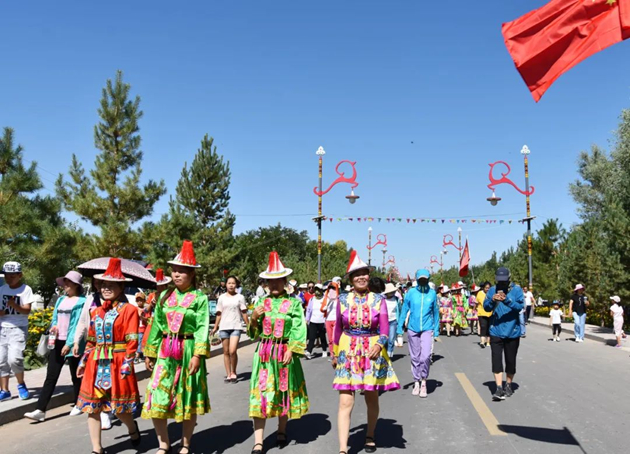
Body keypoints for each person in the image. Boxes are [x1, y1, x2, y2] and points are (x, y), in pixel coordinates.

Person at [142, 241, 211, 454]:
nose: (177, 274)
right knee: (156, 394)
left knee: (187, 396)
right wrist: (150, 351)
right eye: (175, 270)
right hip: (165, 351)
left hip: (188, 349)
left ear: (191, 275)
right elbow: (156, 325)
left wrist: (198, 355)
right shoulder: (164, 296)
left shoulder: (200, 298)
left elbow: (202, 327)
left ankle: (185, 443)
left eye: (182, 271)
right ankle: (163, 444)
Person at [332, 251, 400, 454]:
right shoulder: (342, 300)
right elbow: (337, 329)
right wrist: (335, 353)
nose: (361, 277)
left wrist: (379, 345)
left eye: (364, 273)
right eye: (356, 274)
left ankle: (370, 434)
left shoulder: (378, 300)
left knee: (371, 397)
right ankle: (343, 448)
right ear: (351, 279)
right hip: (347, 350)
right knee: (345, 400)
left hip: (372, 351)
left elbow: (385, 328)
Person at [75, 258, 141, 454]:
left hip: (117, 361)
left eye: (111, 285)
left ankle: (132, 428)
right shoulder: (95, 312)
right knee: (92, 406)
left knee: (118, 408)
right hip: (95, 363)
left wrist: (127, 363)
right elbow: (92, 340)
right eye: (103, 285)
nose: (106, 288)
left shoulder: (129, 310)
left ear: (121, 287)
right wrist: (83, 360)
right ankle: (97, 448)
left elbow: (132, 340)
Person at [248, 251, 309, 454]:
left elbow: (299, 328)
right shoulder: (260, 303)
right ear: (265, 283)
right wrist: (254, 318)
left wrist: (292, 349)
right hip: (264, 353)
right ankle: (258, 441)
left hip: (284, 352)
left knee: (283, 390)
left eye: (277, 281)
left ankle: (282, 430)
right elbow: (253, 333)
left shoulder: (293, 304)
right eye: (269, 282)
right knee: (261, 393)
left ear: (284, 282)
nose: (273, 285)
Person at [24, 271, 87, 421]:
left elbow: (79, 324)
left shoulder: (82, 302)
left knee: (76, 375)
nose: (65, 285)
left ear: (76, 285)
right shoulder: (60, 300)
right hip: (57, 341)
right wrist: (54, 327)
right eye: (64, 282)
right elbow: (55, 319)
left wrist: (70, 343)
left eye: (68, 282)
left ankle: (80, 403)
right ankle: (40, 410)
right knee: (51, 376)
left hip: (74, 343)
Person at [483, 267, 524, 401]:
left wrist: (507, 300)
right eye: (499, 281)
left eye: (504, 281)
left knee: (510, 361)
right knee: (496, 360)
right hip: (495, 330)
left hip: (512, 331)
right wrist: (492, 300)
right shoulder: (491, 290)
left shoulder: (516, 290)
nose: (501, 284)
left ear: (509, 279)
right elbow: (486, 308)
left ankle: (509, 384)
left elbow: (520, 307)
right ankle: (499, 387)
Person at [397, 269, 439, 398]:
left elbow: (436, 312)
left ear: (428, 279)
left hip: (427, 328)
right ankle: (416, 381)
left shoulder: (432, 294)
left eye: (425, 279)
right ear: (416, 279)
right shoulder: (411, 293)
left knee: (425, 356)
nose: (422, 281)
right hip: (413, 329)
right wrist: (399, 328)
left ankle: (424, 381)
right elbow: (404, 310)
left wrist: (436, 329)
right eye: (420, 279)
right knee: (415, 357)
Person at [0, 261, 34, 402]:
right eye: (7, 276)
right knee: (1, 361)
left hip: (19, 328)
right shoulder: (2, 289)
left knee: (15, 359)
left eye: (12, 276)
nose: (9, 279)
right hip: (3, 327)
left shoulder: (26, 290)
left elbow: (27, 310)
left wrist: (15, 305)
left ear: (20, 275)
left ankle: (21, 385)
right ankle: (5, 390)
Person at [211, 275, 249, 383]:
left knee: (233, 351)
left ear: (236, 284)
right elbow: (219, 314)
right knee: (226, 352)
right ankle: (228, 374)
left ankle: (234, 371)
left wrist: (249, 325)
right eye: (229, 283)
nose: (231, 285)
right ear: (225, 285)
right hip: (224, 327)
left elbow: (244, 313)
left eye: (233, 283)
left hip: (236, 326)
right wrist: (215, 327)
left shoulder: (240, 297)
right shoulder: (222, 298)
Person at [305, 284, 328, 359]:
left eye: (319, 289)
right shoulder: (312, 299)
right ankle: (308, 351)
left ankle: (324, 350)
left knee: (322, 337)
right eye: (316, 289)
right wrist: (307, 319)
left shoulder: (325, 299)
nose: (317, 291)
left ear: (322, 290)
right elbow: (308, 310)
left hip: (322, 321)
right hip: (313, 321)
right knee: (312, 337)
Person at [324, 278, 341, 359]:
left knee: (335, 338)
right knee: (330, 339)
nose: (332, 290)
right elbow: (322, 308)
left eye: (333, 288)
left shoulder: (339, 299)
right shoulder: (326, 298)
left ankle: (335, 353)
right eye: (330, 288)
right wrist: (326, 304)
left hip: (336, 320)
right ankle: (331, 354)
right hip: (328, 319)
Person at [383, 283, 400, 358]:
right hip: (384, 322)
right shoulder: (382, 299)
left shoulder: (396, 299)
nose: (392, 293)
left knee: (391, 339)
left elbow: (399, 309)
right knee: (384, 339)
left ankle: (389, 355)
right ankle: (384, 353)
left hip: (393, 321)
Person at [477, 282, 492, 348]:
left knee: (489, 328)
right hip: (482, 313)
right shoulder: (480, 293)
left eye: (489, 288)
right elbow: (476, 303)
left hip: (490, 313)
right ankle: (482, 342)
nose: (487, 289)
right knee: (483, 327)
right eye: (486, 288)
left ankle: (488, 342)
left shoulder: (492, 293)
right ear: (483, 288)